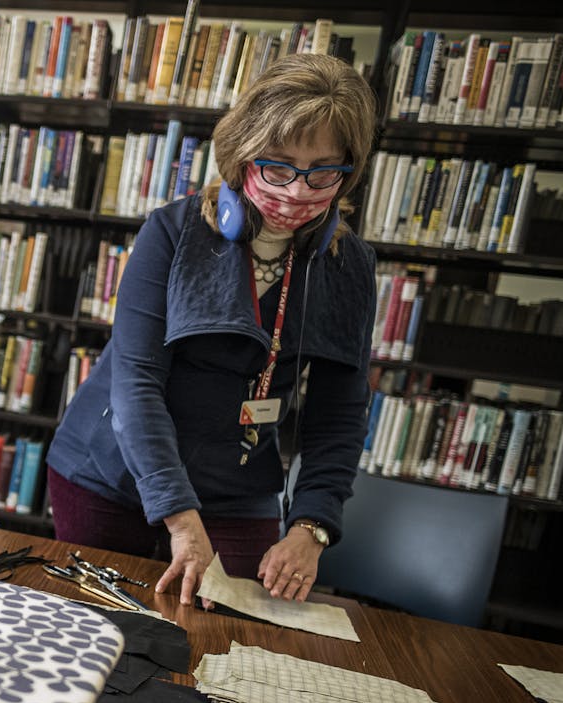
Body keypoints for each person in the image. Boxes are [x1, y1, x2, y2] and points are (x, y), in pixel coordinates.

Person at [45, 53, 378, 607]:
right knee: (97, 631)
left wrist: (310, 527)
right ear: (244, 153)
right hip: (113, 477)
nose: (297, 192)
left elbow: (338, 415)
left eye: (322, 171)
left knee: (226, 640)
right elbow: (136, 384)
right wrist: (178, 515)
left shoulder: (349, 266)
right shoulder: (170, 233)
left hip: (238, 488)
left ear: (349, 168)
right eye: (279, 167)